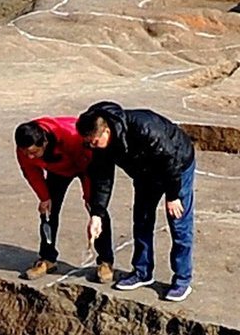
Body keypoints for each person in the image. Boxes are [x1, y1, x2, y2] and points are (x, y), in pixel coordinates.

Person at [77, 101, 197, 302]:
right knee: (141, 220)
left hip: (177, 167)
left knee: (179, 224)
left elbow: (170, 160)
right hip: (145, 174)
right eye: (88, 142)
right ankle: (142, 272)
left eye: (94, 141)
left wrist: (173, 195)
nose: (92, 146)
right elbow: (102, 179)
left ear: (106, 131)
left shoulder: (144, 127)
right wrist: (97, 214)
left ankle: (182, 280)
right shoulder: (100, 145)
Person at [15, 117, 114, 283]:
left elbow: (93, 165)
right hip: (58, 169)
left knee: (97, 212)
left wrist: (91, 201)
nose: (30, 157)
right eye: (27, 153)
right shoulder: (24, 149)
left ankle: (105, 261)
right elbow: (31, 172)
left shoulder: (71, 136)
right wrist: (44, 197)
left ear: (44, 142)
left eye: (34, 153)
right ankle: (47, 258)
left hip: (86, 164)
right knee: (48, 212)